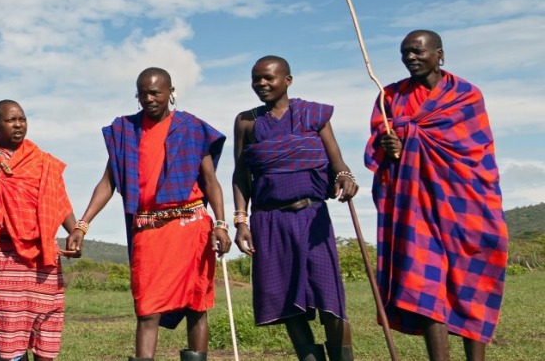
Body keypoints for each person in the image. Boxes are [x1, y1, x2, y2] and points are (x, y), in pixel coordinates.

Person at [66, 68, 231, 361]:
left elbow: (210, 181)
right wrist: (82, 223)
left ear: (170, 92)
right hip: (148, 229)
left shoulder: (192, 128)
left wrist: (220, 222)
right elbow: (108, 181)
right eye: (143, 93)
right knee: (147, 309)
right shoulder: (125, 131)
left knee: (196, 306)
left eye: (155, 92)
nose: (149, 98)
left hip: (191, 227)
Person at [368, 30, 506, 361]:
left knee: (471, 279)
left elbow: (476, 151)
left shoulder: (467, 95)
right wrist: (391, 147)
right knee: (426, 285)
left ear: (439, 55)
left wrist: (411, 139)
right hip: (415, 207)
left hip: (466, 204)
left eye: (417, 51)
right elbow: (377, 146)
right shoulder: (390, 98)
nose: (410, 58)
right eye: (404, 53)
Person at [230, 56, 355, 361]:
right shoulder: (247, 121)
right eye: (256, 79)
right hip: (269, 221)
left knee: (330, 300)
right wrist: (241, 220)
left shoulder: (314, 115)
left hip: (312, 218)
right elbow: (240, 175)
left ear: (287, 80)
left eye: (268, 78)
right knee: (286, 301)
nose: (261, 84)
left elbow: (336, 160)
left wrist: (344, 176)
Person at [0, 100, 79, 361]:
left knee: (46, 331)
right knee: (8, 332)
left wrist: (75, 232)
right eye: (10, 120)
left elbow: (59, 202)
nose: (18, 125)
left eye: (22, 119)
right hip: (5, 258)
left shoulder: (43, 162)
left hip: (43, 260)